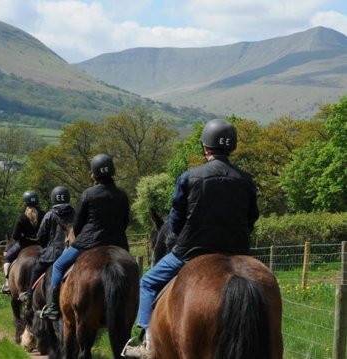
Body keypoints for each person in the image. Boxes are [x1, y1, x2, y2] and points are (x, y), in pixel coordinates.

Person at [123, 119, 259, 357]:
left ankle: (147, 342)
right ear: (232, 147)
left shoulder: (189, 177)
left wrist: (173, 242)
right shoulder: (246, 180)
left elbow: (175, 220)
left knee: (148, 282)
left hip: (191, 252)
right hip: (237, 252)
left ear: (205, 147)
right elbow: (251, 218)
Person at [41, 153, 130, 320]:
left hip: (88, 243)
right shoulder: (122, 195)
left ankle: (52, 306)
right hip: (118, 245)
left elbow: (79, 223)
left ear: (94, 174)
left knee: (59, 265)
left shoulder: (88, 194)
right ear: (112, 172)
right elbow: (125, 222)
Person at [19, 186, 75, 308]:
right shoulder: (75, 213)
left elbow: (41, 235)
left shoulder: (50, 214)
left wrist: (45, 246)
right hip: (72, 251)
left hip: (53, 253)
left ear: (53, 199)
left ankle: (29, 297)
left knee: (36, 270)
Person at [1, 190, 46, 294]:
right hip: (41, 245)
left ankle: (7, 284)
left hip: (24, 245)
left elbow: (15, 236)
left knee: (7, 258)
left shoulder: (21, 217)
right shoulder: (44, 214)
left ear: (25, 202)